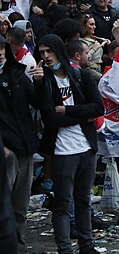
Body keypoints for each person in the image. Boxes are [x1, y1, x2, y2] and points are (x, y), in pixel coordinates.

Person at [36, 34, 104, 254]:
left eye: (49, 51)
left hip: (86, 148)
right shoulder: (44, 81)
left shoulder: (81, 76)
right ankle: (65, 249)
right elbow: (50, 118)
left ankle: (87, 246)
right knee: (63, 203)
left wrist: (69, 111)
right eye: (42, 52)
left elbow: (98, 109)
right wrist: (82, 116)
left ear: (59, 51)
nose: (45, 56)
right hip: (62, 150)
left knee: (84, 201)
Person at [0, 35, 43, 252]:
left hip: (25, 145)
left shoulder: (16, 73)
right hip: (5, 150)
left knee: (20, 202)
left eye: (1, 48)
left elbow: (36, 101)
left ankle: (16, 242)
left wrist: (39, 82)